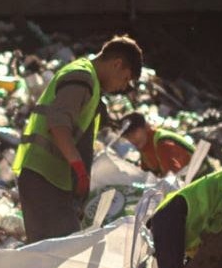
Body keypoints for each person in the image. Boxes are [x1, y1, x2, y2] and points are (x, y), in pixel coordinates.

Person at [13, 36, 144, 243]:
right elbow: (58, 125)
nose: (122, 87)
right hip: (44, 178)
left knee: (53, 252)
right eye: (125, 78)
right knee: (62, 252)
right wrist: (79, 169)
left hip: (53, 180)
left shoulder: (90, 83)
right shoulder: (82, 77)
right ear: (117, 64)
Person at [122, 112, 197, 177]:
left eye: (133, 133)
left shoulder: (163, 143)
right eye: (127, 136)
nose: (131, 139)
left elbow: (173, 177)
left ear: (146, 127)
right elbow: (147, 174)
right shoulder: (144, 147)